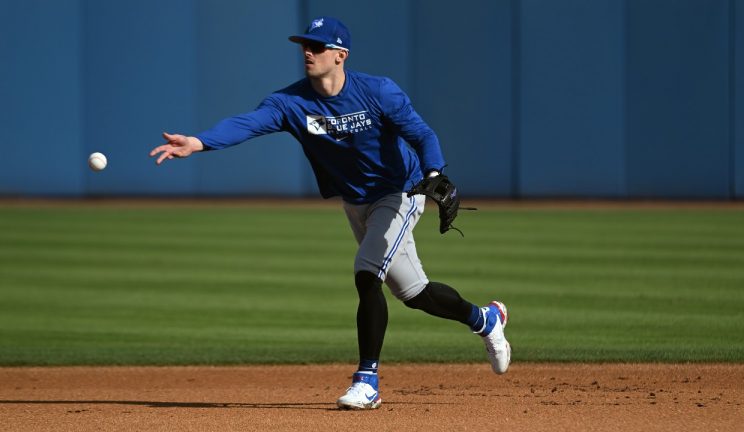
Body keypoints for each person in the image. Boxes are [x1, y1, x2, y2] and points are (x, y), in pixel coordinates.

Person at [149, 16, 511, 410]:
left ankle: (367, 380)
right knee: (414, 293)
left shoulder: (378, 91)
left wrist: (435, 172)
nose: (308, 52)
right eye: (305, 45)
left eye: (317, 47)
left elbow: (421, 133)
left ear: (340, 55)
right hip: (355, 202)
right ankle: (485, 320)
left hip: (399, 193)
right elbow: (248, 124)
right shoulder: (290, 103)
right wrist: (200, 142)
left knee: (366, 273)